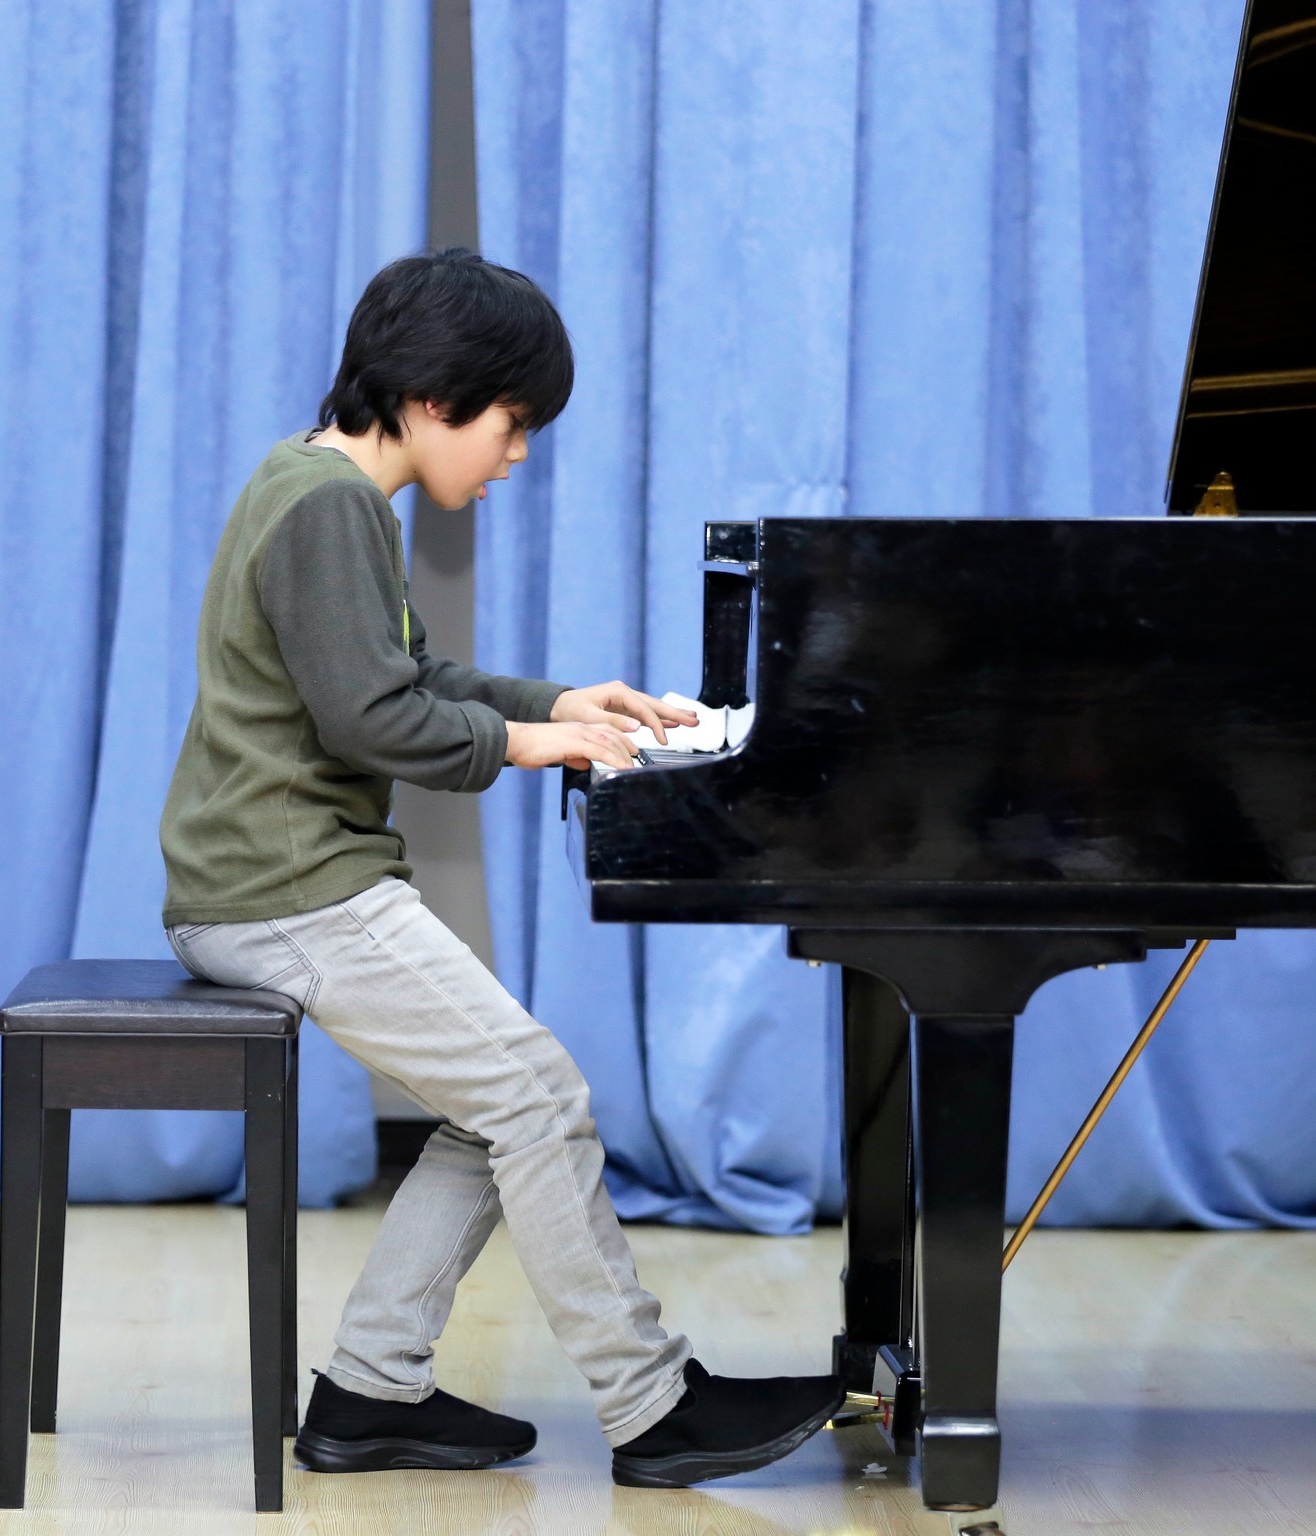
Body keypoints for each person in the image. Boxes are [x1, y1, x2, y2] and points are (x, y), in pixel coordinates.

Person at [159, 249, 842, 1489]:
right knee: (536, 1098)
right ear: (432, 398)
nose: (516, 454)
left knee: (505, 1105)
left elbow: (406, 677)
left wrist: (561, 701)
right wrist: (536, 744)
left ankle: (369, 1392)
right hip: (285, 889)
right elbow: (374, 719)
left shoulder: (316, 485)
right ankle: (652, 1406)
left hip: (279, 881)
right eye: (512, 423)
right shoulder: (328, 508)